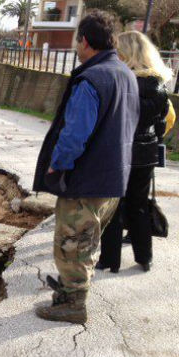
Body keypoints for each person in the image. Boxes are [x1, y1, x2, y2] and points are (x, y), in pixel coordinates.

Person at [32, 11, 139, 324]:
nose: (76, 47)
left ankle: (72, 304)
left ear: (87, 42)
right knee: (88, 240)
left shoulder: (92, 78)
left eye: (77, 40)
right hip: (113, 178)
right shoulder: (126, 74)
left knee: (73, 242)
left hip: (86, 180)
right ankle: (69, 291)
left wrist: (58, 165)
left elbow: (76, 132)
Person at [96, 31, 173, 274]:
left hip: (121, 151)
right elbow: (162, 123)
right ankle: (144, 257)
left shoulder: (121, 81)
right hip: (146, 153)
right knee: (138, 205)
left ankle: (110, 260)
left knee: (113, 207)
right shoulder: (159, 84)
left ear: (126, 53)